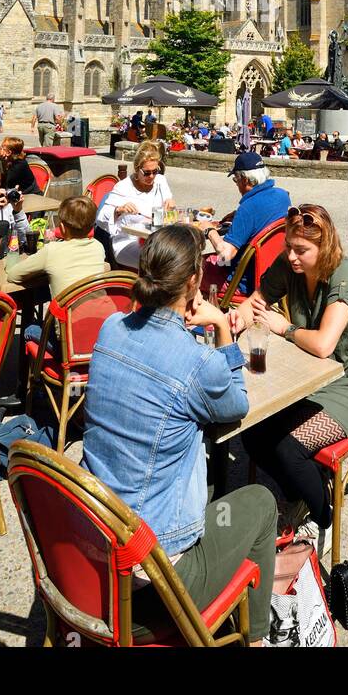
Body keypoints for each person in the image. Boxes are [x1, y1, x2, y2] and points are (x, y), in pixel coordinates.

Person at [82, 225, 277, 646]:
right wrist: (223, 330)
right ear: (194, 281)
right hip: (153, 586)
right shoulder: (196, 364)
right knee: (260, 501)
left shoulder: (111, 328)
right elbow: (236, 404)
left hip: (90, 549)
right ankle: (257, 638)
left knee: (199, 463)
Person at [232, 203, 348, 537]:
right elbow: (255, 302)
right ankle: (301, 489)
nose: (292, 256)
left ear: (323, 247)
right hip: (308, 379)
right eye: (288, 247)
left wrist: (283, 328)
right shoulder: (290, 266)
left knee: (287, 448)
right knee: (251, 432)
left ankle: (321, 515)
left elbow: (325, 345)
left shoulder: (344, 273)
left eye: (301, 250)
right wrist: (232, 320)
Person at [200, 152, 292, 297]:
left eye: (236, 180)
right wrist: (239, 216)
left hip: (243, 282)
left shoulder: (248, 208)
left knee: (188, 268)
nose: (237, 185)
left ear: (244, 179)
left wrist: (209, 230)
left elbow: (225, 256)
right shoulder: (282, 196)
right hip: (272, 273)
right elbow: (264, 215)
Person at [96, 140, 175, 271]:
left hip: (156, 241)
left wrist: (170, 203)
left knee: (180, 256)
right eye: (147, 172)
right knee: (158, 263)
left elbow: (168, 203)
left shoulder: (160, 181)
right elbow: (101, 218)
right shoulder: (124, 187)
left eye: (155, 171)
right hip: (128, 241)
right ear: (137, 169)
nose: (151, 176)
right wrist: (119, 210)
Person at [14, 194, 105, 302]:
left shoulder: (51, 250)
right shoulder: (98, 247)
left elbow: (14, 275)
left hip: (68, 317)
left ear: (61, 228)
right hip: (99, 314)